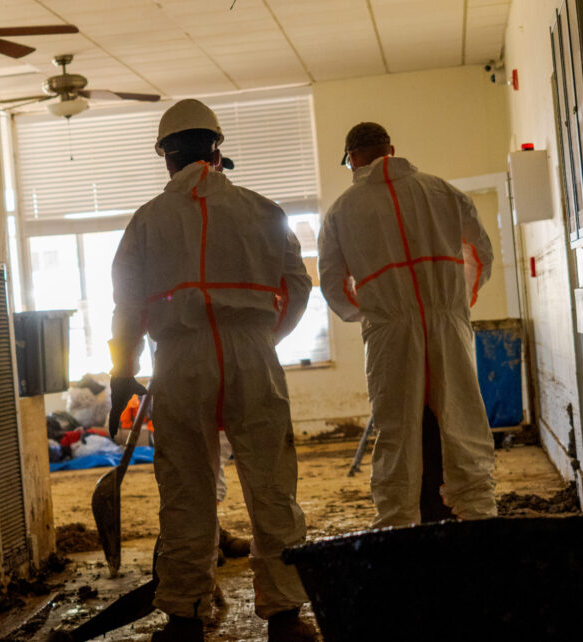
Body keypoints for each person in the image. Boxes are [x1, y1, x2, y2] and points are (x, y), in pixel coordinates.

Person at [109, 99, 313, 641]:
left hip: (179, 357)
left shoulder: (148, 219)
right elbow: (298, 285)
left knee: (185, 488)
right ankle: (287, 617)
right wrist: (264, 338)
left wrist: (121, 373)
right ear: (218, 150)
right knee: (271, 485)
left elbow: (127, 305)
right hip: (252, 352)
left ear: (166, 157)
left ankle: (185, 616)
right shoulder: (263, 210)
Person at [318, 122, 497, 528]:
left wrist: (374, 314)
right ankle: (481, 524)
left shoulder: (343, 211)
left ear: (352, 160)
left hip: (391, 335)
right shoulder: (443, 192)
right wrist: (455, 304)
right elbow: (480, 254)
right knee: (464, 428)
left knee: (397, 435)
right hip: (448, 325)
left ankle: (399, 531)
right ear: (392, 149)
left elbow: (332, 285)